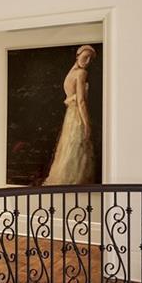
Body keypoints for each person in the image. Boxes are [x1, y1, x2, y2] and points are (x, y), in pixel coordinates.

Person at [43, 44, 96, 185]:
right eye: (85, 57)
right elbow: (81, 101)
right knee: (77, 149)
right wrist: (87, 124)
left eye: (90, 59)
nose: (87, 61)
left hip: (70, 115)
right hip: (77, 115)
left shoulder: (70, 74)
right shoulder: (81, 73)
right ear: (78, 56)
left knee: (68, 149)